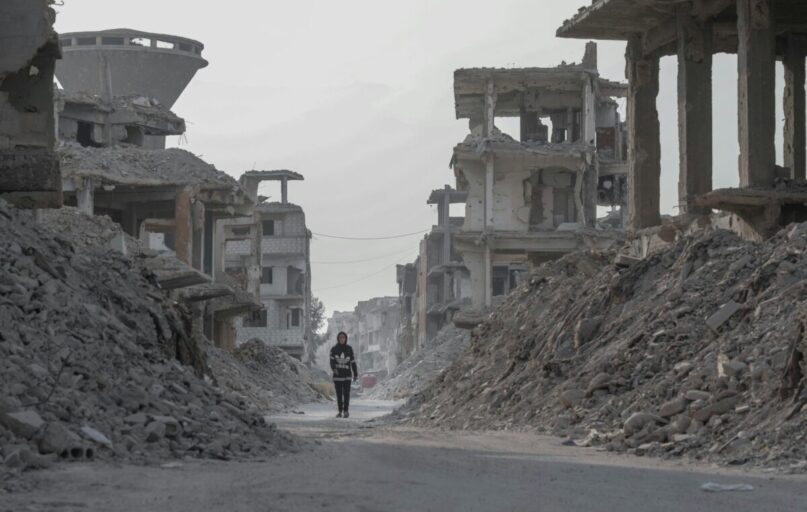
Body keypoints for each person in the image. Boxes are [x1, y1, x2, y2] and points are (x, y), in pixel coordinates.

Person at [329, 331, 358, 418]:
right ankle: (339, 411)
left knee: (346, 394)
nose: (342, 339)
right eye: (340, 337)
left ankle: (346, 411)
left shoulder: (349, 349)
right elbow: (332, 361)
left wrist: (355, 373)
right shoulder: (334, 349)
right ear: (338, 339)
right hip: (337, 376)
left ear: (346, 339)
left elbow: (353, 362)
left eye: (343, 337)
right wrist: (334, 369)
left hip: (347, 376)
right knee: (339, 394)